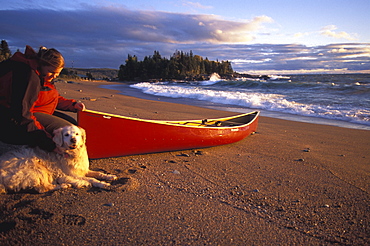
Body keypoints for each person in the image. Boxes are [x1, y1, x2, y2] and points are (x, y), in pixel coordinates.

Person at [0, 45, 85, 152]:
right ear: (42, 64)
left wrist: (72, 105)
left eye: (58, 73)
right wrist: (47, 143)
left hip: (39, 111)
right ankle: (61, 154)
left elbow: (51, 97)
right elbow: (22, 112)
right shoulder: (29, 77)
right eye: (52, 72)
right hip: (17, 118)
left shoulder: (43, 76)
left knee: (72, 122)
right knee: (67, 127)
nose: (54, 76)